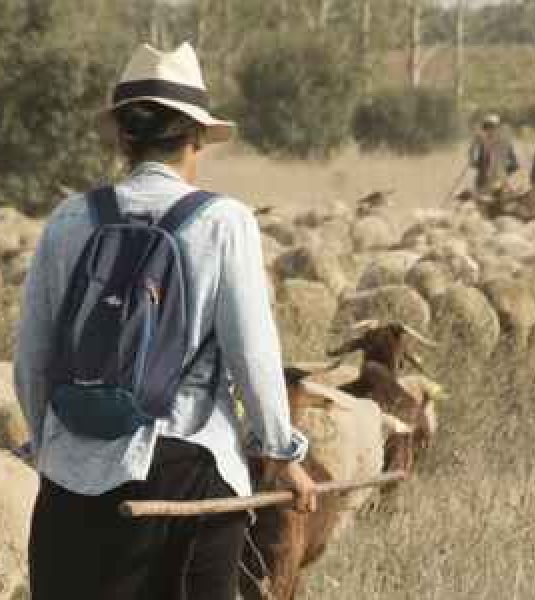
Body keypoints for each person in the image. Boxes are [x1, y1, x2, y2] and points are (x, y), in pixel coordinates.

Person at [14, 42, 316, 600]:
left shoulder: (69, 219)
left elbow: (32, 354)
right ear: (197, 136)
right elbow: (253, 352)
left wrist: (50, 443)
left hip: (69, 483)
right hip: (186, 473)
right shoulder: (225, 222)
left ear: (123, 137)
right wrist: (281, 455)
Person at [468, 114, 519, 192]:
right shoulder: (481, 144)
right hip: (482, 182)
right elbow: (473, 162)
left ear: (498, 129)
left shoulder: (505, 144)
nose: (490, 131)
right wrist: (473, 145)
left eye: (492, 127)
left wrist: (504, 171)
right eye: (487, 128)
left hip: (500, 183)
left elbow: (515, 164)